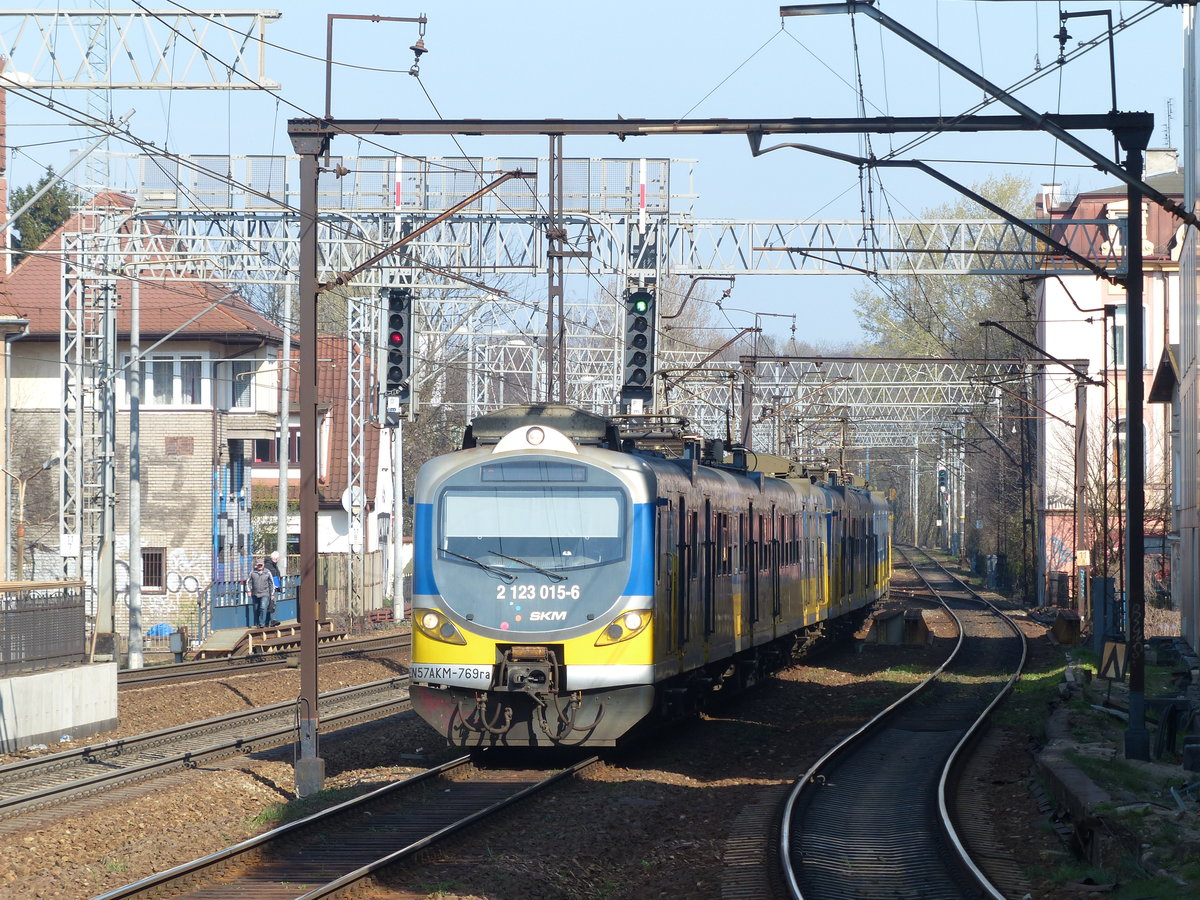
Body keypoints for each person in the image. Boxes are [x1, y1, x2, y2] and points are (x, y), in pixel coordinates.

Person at [248, 558, 275, 628]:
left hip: (265, 593)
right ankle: (257, 623)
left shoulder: (267, 572)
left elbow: (271, 583)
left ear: (263, 565)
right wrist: (249, 591)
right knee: (256, 609)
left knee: (263, 607)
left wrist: (272, 594)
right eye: (258, 565)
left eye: (261, 565)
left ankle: (262, 623)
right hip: (255, 593)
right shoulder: (252, 572)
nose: (260, 566)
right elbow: (248, 582)